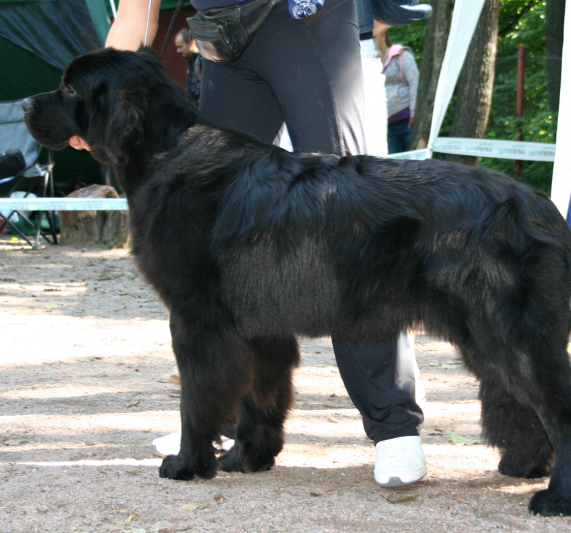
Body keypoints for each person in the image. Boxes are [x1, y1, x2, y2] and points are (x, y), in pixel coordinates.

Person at [85, 0, 432, 488]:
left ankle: (394, 426)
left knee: (348, 218)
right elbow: (134, 14)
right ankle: (221, 419)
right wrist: (92, 107)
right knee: (212, 243)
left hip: (305, 20)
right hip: (224, 44)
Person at [375, 30, 419, 154]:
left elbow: (415, 82)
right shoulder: (372, 62)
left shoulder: (400, 54)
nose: (372, 42)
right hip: (386, 125)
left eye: (374, 38)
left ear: (383, 36)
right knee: (394, 163)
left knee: (414, 160)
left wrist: (414, 113)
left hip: (408, 121)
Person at [173, 28, 203, 107]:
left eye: (180, 46)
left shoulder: (202, 62)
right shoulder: (193, 62)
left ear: (191, 43)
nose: (178, 51)